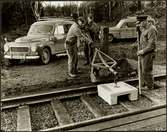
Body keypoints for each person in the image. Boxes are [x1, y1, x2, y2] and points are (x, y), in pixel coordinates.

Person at [137, 16, 158, 89]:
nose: (139, 25)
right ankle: (144, 84)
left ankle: (150, 86)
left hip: (149, 53)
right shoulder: (144, 28)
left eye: (140, 23)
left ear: (145, 21)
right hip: (143, 52)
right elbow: (143, 39)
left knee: (147, 70)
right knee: (142, 69)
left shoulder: (151, 29)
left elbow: (152, 45)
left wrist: (142, 51)